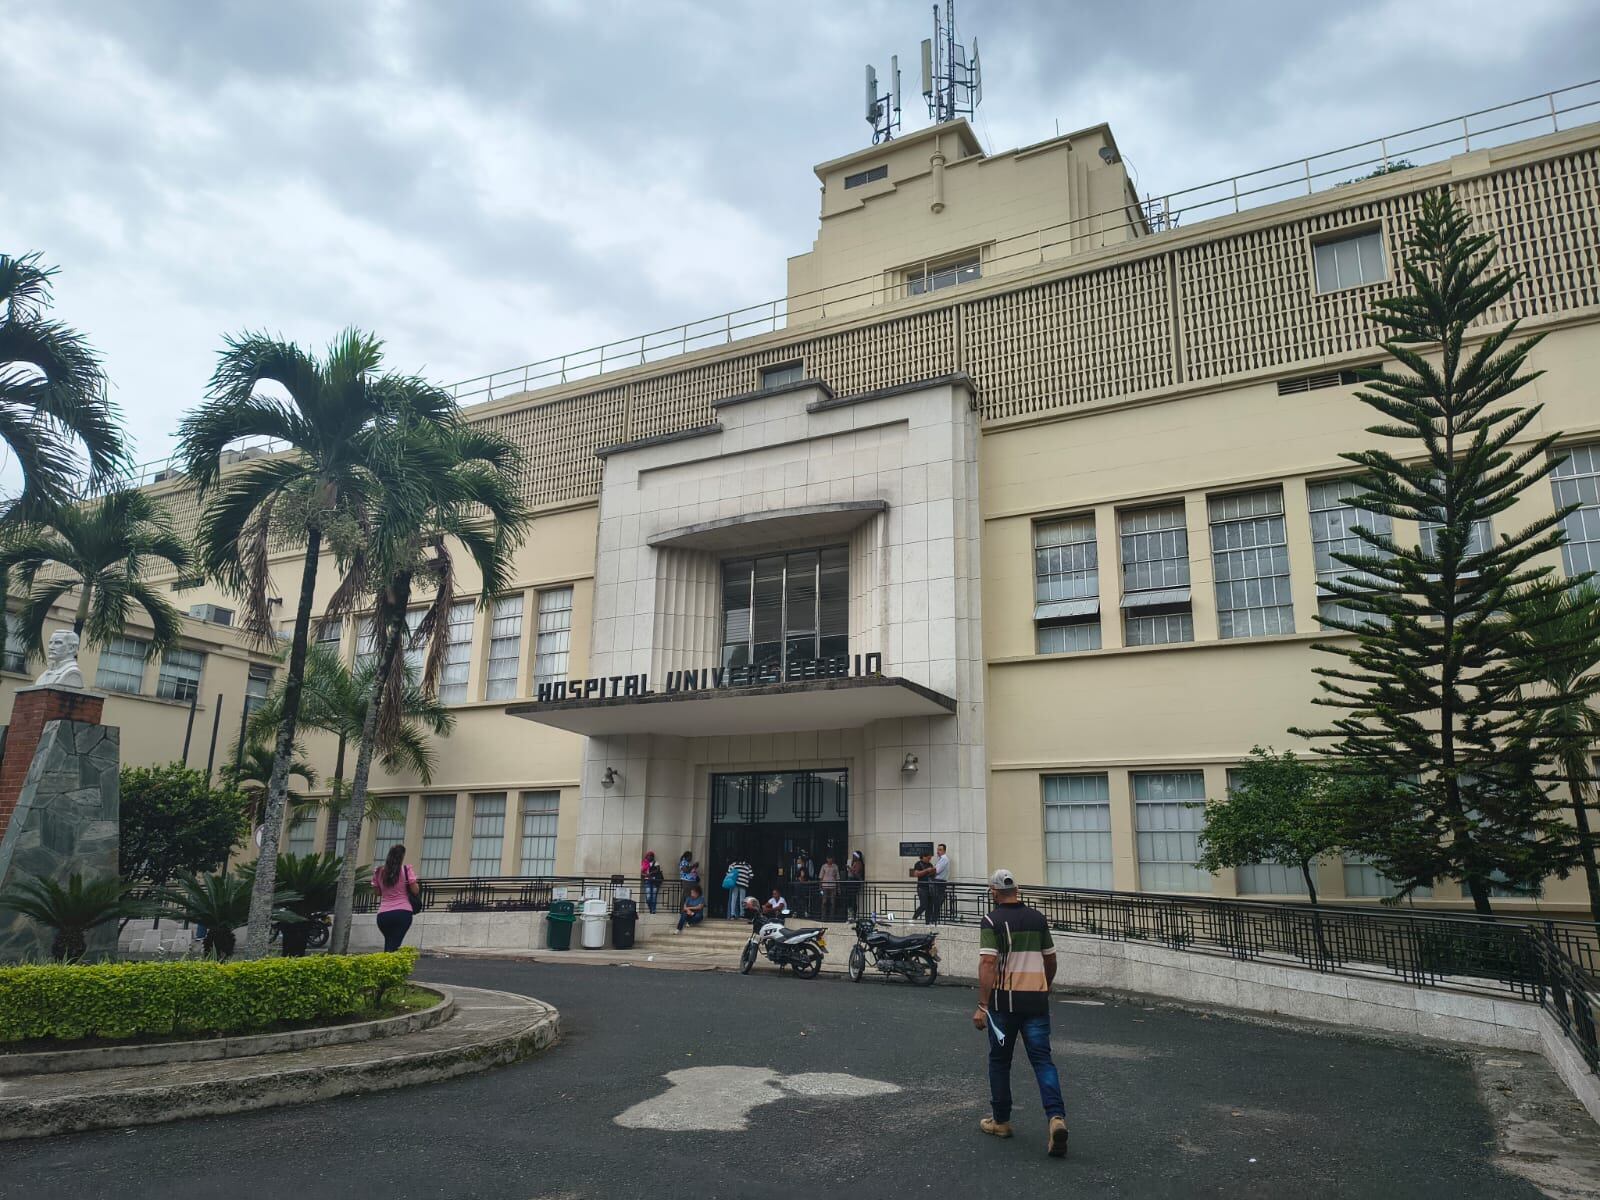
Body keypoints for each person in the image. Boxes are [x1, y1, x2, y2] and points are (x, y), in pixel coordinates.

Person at [973, 868, 1068, 1158]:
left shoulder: (991, 920)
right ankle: (1056, 1118)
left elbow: (988, 963)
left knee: (1000, 1061)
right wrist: (1044, 985)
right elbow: (1050, 959)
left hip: (1004, 1004)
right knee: (1043, 1061)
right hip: (1036, 1002)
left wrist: (982, 1005)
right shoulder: (1038, 919)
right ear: (1018, 890)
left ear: (993, 891)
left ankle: (1001, 1121)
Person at [372, 843, 421, 953]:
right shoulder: (406, 870)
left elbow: (377, 892)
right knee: (394, 946)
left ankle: (384, 966)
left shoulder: (379, 871)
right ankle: (388, 966)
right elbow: (415, 890)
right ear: (402, 856)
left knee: (389, 942)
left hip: (383, 914)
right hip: (402, 913)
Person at [929, 843, 951, 924]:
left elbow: (936, 870)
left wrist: (929, 871)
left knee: (937, 901)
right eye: (937, 849)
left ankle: (934, 919)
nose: (938, 851)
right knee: (936, 901)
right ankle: (934, 919)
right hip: (938, 882)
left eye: (940, 850)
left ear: (944, 851)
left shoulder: (944, 859)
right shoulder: (940, 859)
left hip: (939, 883)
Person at [910, 852, 935, 920]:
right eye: (928, 858)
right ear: (923, 857)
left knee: (930, 906)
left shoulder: (930, 864)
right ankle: (914, 918)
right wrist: (926, 870)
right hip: (922, 888)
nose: (929, 860)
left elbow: (933, 875)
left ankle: (928, 921)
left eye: (930, 858)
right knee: (924, 905)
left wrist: (933, 871)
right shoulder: (918, 864)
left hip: (930, 887)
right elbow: (916, 874)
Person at [845, 849, 866, 918]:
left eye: (854, 856)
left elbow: (856, 873)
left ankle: (853, 915)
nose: (853, 857)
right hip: (851, 882)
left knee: (853, 899)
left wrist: (850, 868)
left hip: (854, 882)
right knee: (850, 899)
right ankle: (850, 915)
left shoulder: (858, 863)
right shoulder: (854, 863)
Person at [818, 854, 841, 919]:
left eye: (831, 858)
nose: (830, 860)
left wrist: (838, 888)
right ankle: (823, 917)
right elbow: (821, 877)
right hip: (824, 886)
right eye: (828, 858)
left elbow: (838, 878)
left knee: (832, 902)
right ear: (827, 859)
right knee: (824, 902)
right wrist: (820, 887)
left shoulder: (835, 866)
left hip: (833, 886)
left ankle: (832, 917)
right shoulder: (824, 866)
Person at [641, 851, 662, 915]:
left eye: (651, 856)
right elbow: (641, 872)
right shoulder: (644, 863)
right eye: (649, 856)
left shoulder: (656, 863)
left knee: (654, 896)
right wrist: (645, 875)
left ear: (653, 856)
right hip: (647, 881)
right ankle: (651, 908)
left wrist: (651, 873)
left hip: (655, 881)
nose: (650, 857)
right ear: (647, 856)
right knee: (648, 897)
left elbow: (658, 869)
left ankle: (653, 910)